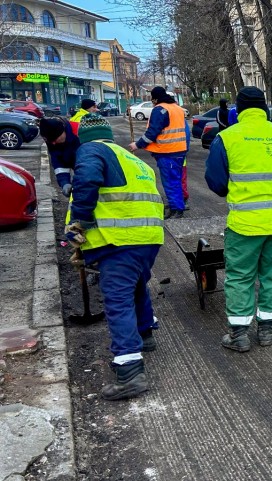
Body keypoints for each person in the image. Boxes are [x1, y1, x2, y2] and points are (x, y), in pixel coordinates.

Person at [64, 114, 164, 400]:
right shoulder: (134, 160)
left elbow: (87, 181)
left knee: (117, 300)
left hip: (120, 240)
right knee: (136, 287)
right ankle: (145, 334)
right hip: (148, 239)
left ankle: (129, 371)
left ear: (83, 138)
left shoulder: (91, 149)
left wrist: (79, 222)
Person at [205, 87, 272, 352]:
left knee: (240, 277)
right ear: (265, 108)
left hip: (244, 225)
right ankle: (267, 331)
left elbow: (217, 184)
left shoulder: (227, 138)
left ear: (239, 109)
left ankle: (239, 336)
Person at [128, 86, 190, 219]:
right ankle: (177, 205)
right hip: (179, 150)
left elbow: (152, 133)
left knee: (170, 182)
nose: (152, 101)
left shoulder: (160, 110)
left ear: (155, 99)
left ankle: (177, 209)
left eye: (152, 99)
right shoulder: (177, 108)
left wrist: (137, 145)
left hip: (167, 152)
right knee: (176, 180)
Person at [39, 117, 81, 197]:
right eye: (50, 142)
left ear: (62, 131)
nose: (53, 143)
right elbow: (59, 164)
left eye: (55, 139)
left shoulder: (80, 133)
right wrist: (65, 183)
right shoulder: (53, 142)